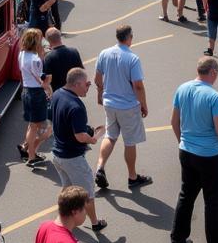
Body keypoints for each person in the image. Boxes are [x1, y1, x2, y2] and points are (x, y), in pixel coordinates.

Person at [170, 57, 218, 243]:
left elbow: (174, 121)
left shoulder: (182, 89)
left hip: (186, 151)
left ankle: (177, 241)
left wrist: (183, 142)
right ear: (213, 72)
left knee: (186, 196)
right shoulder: (214, 97)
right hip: (209, 156)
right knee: (212, 202)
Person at [94, 24, 151, 190]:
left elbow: (98, 79)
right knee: (130, 142)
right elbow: (138, 86)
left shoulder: (104, 53)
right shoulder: (132, 58)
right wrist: (144, 105)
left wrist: (100, 93)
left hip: (109, 104)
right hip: (127, 106)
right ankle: (132, 177)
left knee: (110, 136)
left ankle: (100, 167)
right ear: (129, 37)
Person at [50, 70, 107, 231]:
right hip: (72, 158)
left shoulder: (57, 94)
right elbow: (80, 136)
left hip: (57, 154)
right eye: (86, 84)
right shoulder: (76, 106)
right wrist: (94, 138)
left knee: (67, 190)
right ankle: (95, 223)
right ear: (76, 84)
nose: (88, 87)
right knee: (86, 193)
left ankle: (63, 218)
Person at [19, 28, 52, 167]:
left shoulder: (21, 54)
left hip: (26, 91)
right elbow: (42, 78)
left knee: (32, 125)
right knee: (34, 127)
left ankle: (28, 150)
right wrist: (49, 87)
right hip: (36, 94)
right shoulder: (35, 59)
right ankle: (31, 156)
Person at [43, 27, 82, 92]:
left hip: (59, 92)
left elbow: (48, 79)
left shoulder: (49, 58)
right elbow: (81, 71)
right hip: (74, 89)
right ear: (60, 37)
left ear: (48, 41)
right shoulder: (74, 51)